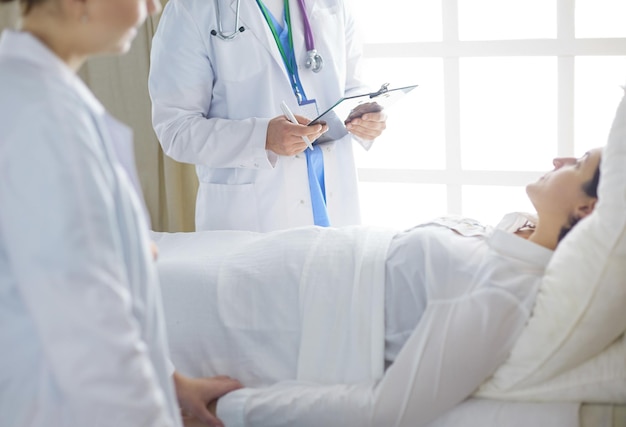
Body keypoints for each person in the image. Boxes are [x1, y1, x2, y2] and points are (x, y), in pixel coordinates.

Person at [152, 148, 603, 427]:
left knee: (117, 310)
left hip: (264, 316)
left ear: (588, 208)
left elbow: (389, 409)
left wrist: (230, 411)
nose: (559, 159)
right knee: (121, 276)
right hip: (262, 262)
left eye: (578, 162)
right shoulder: (510, 236)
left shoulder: (506, 291)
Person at [0, 1, 240, 426]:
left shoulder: (30, 91)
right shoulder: (46, 117)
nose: (151, 6)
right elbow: (90, 330)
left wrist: (169, 382)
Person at [148, 0, 388, 232]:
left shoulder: (333, 4)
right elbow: (176, 129)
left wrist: (366, 115)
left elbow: (353, 87)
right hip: (255, 217)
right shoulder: (190, 9)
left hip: (334, 200)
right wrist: (262, 138)